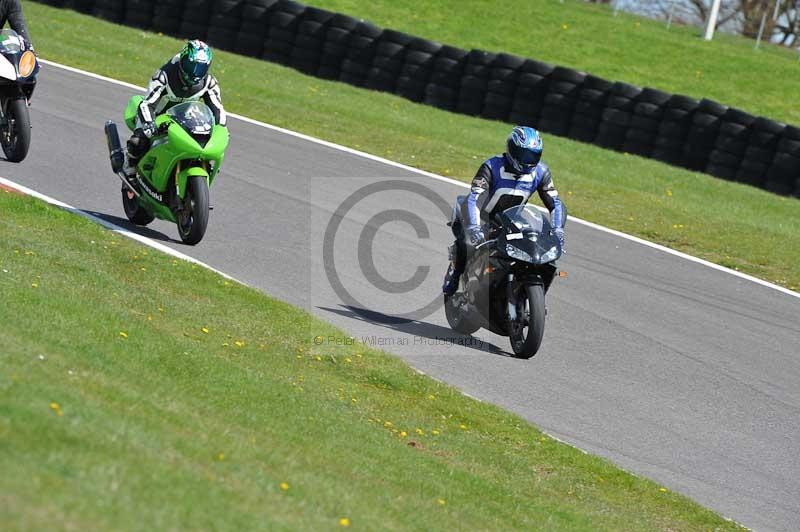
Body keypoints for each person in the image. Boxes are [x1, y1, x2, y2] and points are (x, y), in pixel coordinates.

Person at [442, 126, 567, 296]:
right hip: (483, 217)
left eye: (533, 155)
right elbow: (475, 199)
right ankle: (455, 273)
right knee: (467, 243)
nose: (527, 160)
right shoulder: (492, 166)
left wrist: (558, 230)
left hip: (511, 220)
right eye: (523, 154)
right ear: (511, 149)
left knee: (536, 248)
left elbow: (556, 203)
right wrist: (474, 227)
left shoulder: (540, 172)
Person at [124, 40, 226, 179]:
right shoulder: (163, 76)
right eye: (191, 65)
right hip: (158, 117)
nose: (195, 72)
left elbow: (217, 108)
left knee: (203, 145)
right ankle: (129, 169)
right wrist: (149, 123)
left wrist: (221, 128)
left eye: (201, 68)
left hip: (185, 119)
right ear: (182, 61)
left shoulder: (209, 83)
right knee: (139, 141)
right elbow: (147, 103)